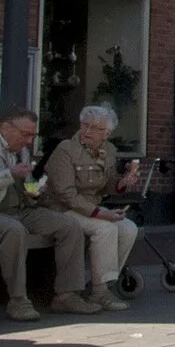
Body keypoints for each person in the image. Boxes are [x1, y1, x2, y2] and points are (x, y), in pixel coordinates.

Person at [0, 108, 88, 319]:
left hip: (21, 209)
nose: (30, 141)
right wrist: (9, 174)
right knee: (14, 230)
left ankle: (67, 295)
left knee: (69, 225)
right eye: (25, 134)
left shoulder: (20, 149)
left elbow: (26, 183)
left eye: (33, 135)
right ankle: (18, 300)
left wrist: (34, 191)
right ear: (5, 128)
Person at [38, 105, 140, 311]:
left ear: (107, 133)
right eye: (85, 125)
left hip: (91, 207)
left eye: (95, 128)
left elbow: (108, 184)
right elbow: (65, 193)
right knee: (105, 228)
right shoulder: (66, 149)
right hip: (62, 209)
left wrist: (123, 183)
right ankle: (100, 292)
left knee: (129, 228)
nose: (87, 132)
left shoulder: (108, 150)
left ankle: (99, 284)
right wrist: (100, 213)